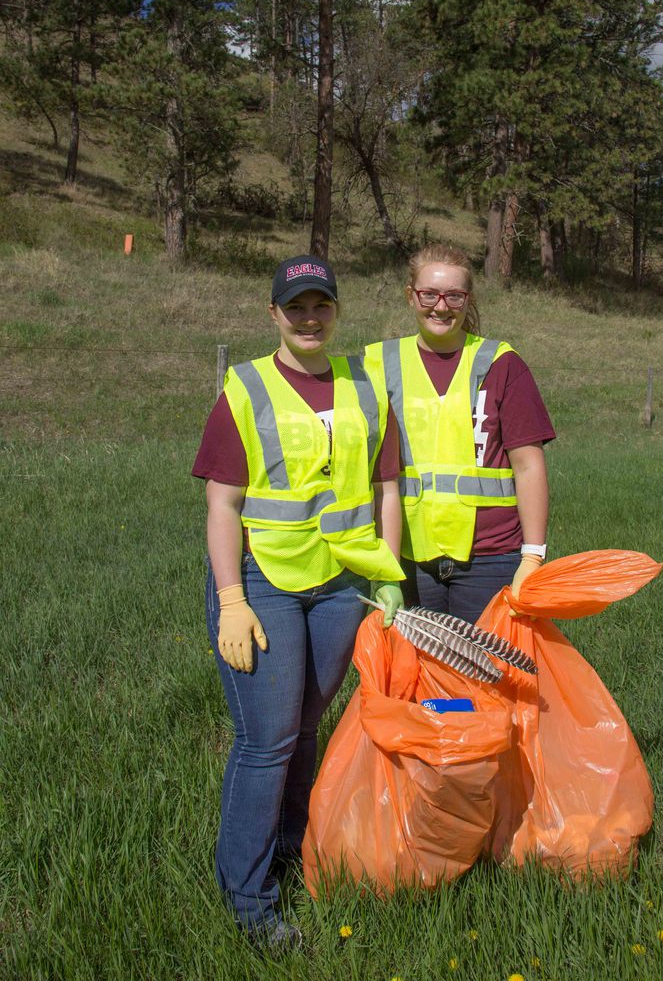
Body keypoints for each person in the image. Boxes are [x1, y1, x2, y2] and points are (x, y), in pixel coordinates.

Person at [193, 254, 405, 950]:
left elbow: (386, 489)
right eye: (297, 307)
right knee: (267, 741)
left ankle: (290, 845)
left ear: (335, 310)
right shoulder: (246, 388)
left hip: (342, 584)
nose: (310, 318)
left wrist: (388, 573)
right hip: (264, 582)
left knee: (309, 723)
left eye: (321, 305)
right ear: (274, 313)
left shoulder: (364, 388)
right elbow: (222, 506)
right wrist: (230, 599)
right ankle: (249, 901)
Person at [365, 243, 555, 624]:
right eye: (429, 294)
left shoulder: (501, 364)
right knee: (422, 681)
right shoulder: (376, 363)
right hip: (408, 557)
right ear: (410, 296)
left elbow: (529, 466)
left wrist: (532, 556)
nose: (441, 306)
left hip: (490, 557)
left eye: (454, 295)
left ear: (468, 300)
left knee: (486, 677)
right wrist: (381, 565)